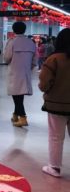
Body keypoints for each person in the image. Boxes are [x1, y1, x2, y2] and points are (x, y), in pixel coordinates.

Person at [39, 28, 70, 177]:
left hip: (56, 104)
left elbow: (44, 84)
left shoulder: (54, 59)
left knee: (56, 136)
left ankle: (54, 167)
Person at [4, 22, 37, 127]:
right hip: (26, 72)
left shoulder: (12, 42)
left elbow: (7, 58)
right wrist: (28, 67)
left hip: (14, 72)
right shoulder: (31, 42)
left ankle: (23, 117)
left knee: (16, 95)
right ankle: (15, 115)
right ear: (24, 30)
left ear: (13, 30)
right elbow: (35, 60)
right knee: (20, 95)